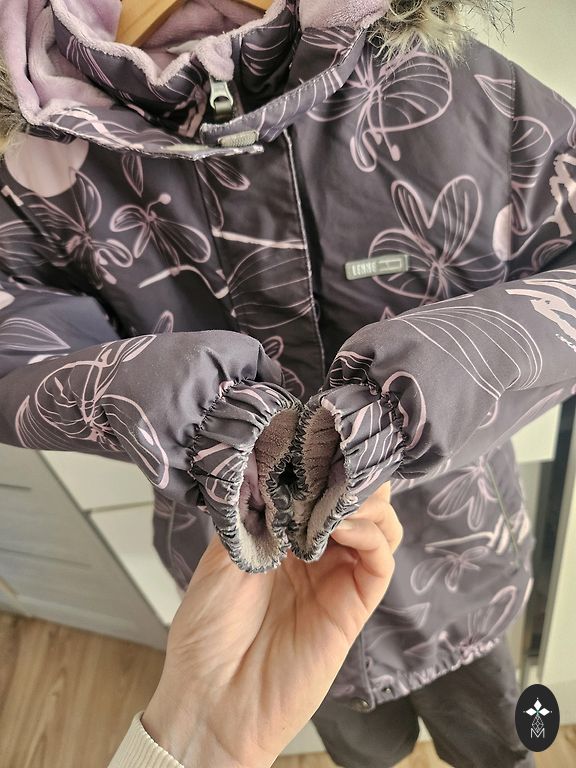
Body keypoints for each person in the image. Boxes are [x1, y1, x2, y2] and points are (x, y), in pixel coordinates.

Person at [0, 1, 574, 766]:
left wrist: (414, 399)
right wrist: (192, 414)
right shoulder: (45, 155)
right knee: (362, 748)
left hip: (456, 563)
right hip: (255, 589)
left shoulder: (444, 81)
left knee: (495, 742)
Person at [109, 482, 402, 768]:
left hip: (408, 566)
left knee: (400, 734)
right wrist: (208, 719)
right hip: (286, 582)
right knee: (374, 749)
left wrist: (203, 719)